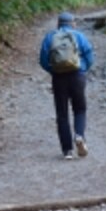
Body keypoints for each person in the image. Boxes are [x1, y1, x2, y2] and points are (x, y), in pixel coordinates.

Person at [39, 12, 94, 160]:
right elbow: (89, 56)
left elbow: (43, 60)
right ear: (72, 23)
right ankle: (79, 136)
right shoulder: (79, 36)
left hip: (58, 78)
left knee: (62, 114)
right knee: (80, 109)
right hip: (77, 76)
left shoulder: (50, 37)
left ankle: (67, 151)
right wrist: (82, 69)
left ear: (58, 23)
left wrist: (53, 70)